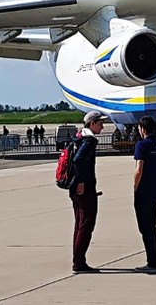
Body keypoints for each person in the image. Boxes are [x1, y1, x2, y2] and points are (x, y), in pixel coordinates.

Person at [69, 111, 105, 273]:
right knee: (86, 225)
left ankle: (78, 260)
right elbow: (78, 160)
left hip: (74, 188)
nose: (103, 126)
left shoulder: (78, 137)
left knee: (79, 225)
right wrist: (82, 182)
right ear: (92, 123)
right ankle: (79, 263)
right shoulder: (89, 141)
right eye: (100, 123)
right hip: (85, 188)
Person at [132, 116, 156, 273]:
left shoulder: (141, 145)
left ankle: (152, 263)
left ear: (142, 129)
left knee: (145, 227)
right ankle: (155, 259)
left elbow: (139, 170)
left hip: (144, 190)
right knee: (152, 225)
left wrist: (135, 187)